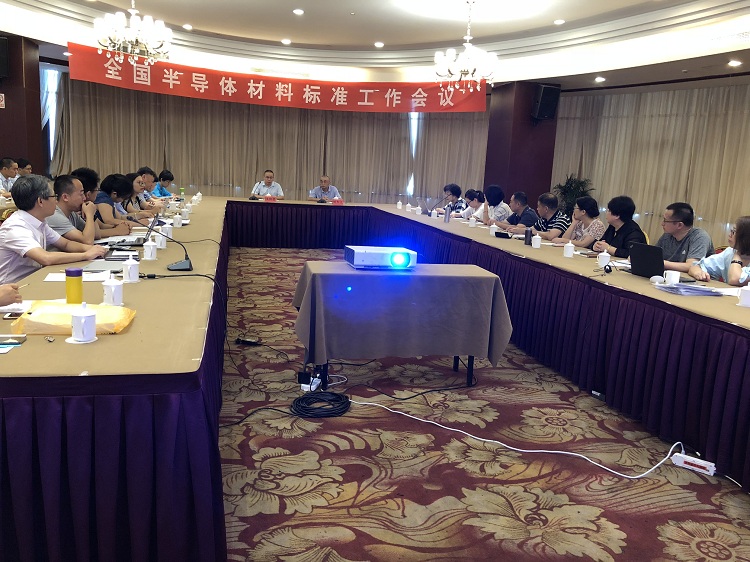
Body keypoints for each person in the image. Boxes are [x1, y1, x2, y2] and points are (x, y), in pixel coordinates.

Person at [0, 174, 107, 284]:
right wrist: (85, 255)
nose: (56, 201)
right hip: (14, 286)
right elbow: (45, 258)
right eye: (54, 197)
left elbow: (66, 244)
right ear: (40, 201)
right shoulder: (15, 227)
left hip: (35, 278)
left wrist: (94, 249)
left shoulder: (40, 221)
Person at [688, 218, 750, 285]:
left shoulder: (735, 253)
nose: (730, 234)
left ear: (746, 237)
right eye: (731, 231)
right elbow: (696, 266)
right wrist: (697, 272)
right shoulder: (730, 252)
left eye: (734, 232)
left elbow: (735, 279)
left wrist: (736, 258)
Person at [655, 202, 714, 272]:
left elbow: (692, 266)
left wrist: (661, 263)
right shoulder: (667, 235)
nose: (662, 224)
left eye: (665, 220)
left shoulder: (700, 237)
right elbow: (654, 257)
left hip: (695, 278)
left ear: (679, 225)